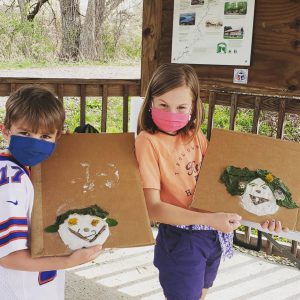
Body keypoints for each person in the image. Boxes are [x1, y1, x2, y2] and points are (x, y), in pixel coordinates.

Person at [135, 63, 286, 300]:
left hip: (213, 234)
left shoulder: (195, 135)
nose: (172, 113)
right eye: (164, 105)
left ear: (194, 107)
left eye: (181, 107)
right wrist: (209, 219)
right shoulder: (148, 141)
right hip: (181, 239)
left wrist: (265, 217)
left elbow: (221, 188)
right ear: (150, 102)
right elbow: (153, 208)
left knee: (202, 293)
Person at [0, 86, 102, 300]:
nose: (35, 142)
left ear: (58, 138)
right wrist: (68, 262)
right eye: (25, 133)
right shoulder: (11, 180)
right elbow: (8, 257)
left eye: (45, 136)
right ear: (6, 130)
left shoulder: (33, 171)